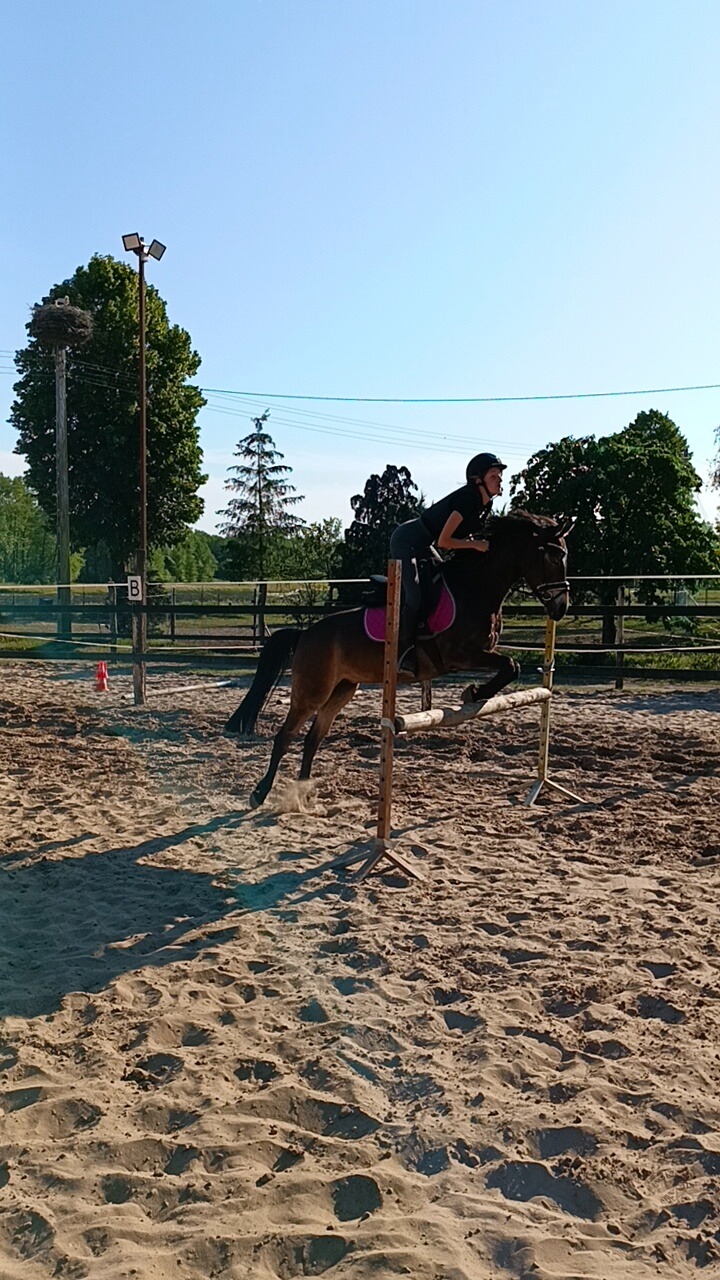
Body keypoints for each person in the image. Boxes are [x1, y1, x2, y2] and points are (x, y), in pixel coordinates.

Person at [389, 452, 506, 674]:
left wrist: (474, 544)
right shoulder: (468, 499)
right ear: (477, 479)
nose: (499, 480)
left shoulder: (485, 505)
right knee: (413, 595)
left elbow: (460, 538)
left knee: (443, 582)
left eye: (499, 476)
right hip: (406, 541)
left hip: (424, 543)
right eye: (494, 476)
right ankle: (402, 653)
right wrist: (474, 545)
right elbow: (444, 541)